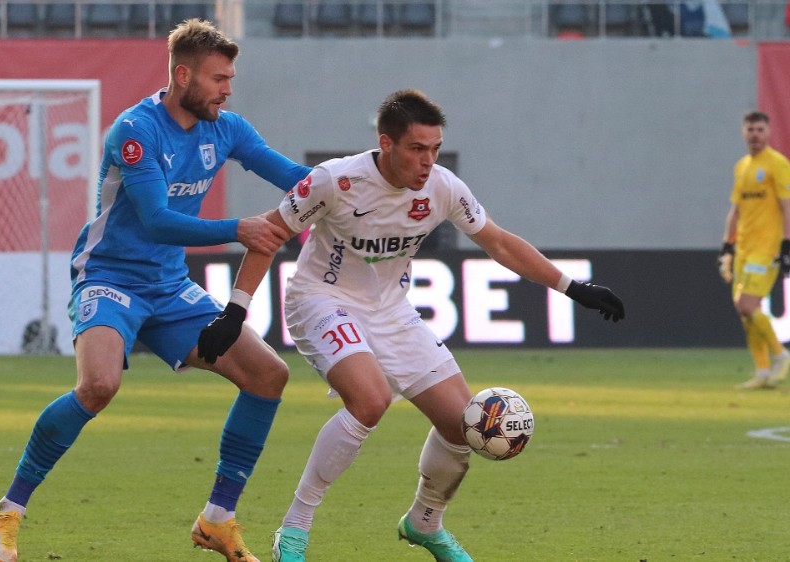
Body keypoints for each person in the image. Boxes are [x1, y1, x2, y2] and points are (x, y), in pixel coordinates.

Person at [197, 89, 625, 561]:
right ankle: (295, 528)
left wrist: (573, 287)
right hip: (322, 299)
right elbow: (269, 234)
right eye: (417, 149)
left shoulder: (443, 188)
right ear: (387, 144)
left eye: (435, 149)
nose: (428, 161)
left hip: (392, 311)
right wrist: (236, 310)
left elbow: (499, 243)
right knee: (370, 400)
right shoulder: (334, 180)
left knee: (464, 425)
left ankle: (424, 522)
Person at [0, 19, 310, 562]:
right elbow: (156, 220)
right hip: (109, 277)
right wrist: (238, 228)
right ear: (183, 75)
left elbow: (295, 177)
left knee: (268, 374)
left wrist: (355, 184)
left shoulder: (227, 128)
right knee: (98, 386)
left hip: (168, 286)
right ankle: (8, 511)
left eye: (231, 77)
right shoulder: (135, 130)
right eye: (218, 78)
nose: (227, 89)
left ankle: (217, 520)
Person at [718, 110, 790, 390]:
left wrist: (786, 243)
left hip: (767, 248)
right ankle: (762, 371)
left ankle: (781, 354)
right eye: (750, 130)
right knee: (747, 311)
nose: (755, 135)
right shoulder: (742, 166)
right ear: (743, 132)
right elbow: (735, 209)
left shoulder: (778, 164)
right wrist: (727, 244)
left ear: (768, 132)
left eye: (760, 129)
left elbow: (787, 206)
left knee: (745, 304)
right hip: (744, 249)